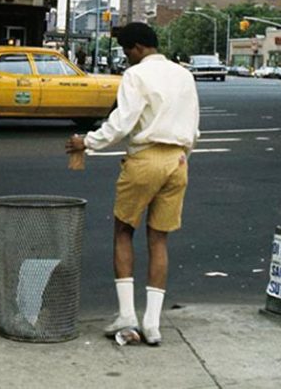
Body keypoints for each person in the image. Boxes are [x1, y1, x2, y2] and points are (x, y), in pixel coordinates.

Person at [65, 22, 199, 348]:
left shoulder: (136, 76)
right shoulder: (185, 75)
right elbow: (193, 125)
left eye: (127, 51)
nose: (127, 58)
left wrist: (88, 142)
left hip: (145, 160)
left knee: (124, 231)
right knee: (159, 239)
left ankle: (127, 315)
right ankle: (152, 324)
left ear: (138, 48)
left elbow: (121, 122)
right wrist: (183, 155)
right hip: (178, 161)